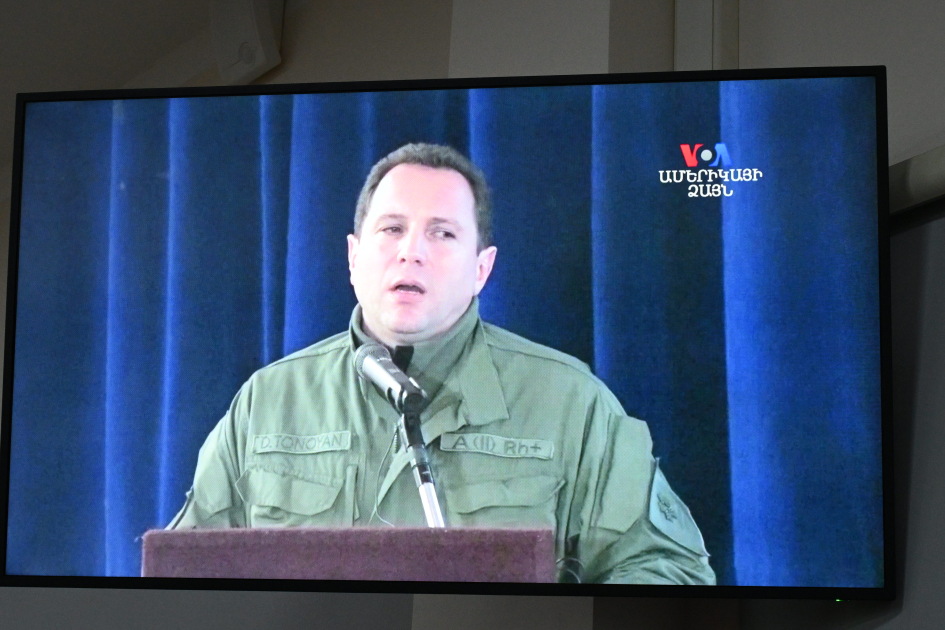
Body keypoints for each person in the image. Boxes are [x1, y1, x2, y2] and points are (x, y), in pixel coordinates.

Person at [168, 143, 715, 585]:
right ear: (353, 257)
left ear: (482, 269)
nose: (412, 251)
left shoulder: (570, 402)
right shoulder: (268, 401)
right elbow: (184, 570)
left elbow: (669, 569)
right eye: (392, 229)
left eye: (443, 233)